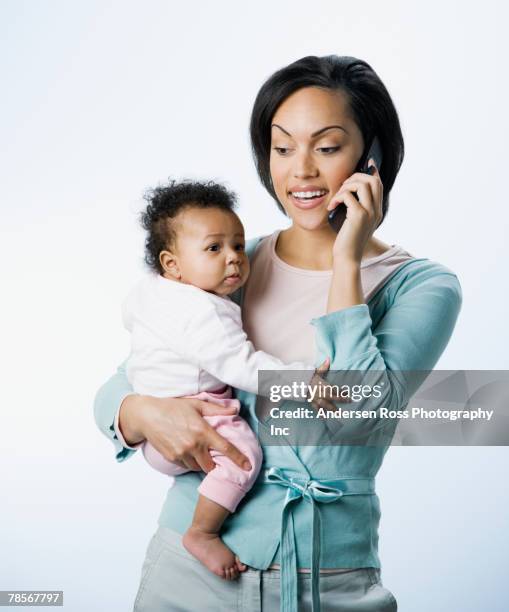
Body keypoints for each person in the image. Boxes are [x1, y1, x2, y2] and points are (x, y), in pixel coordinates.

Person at [94, 55, 462, 612]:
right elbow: (119, 388)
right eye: (283, 147)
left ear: (373, 156)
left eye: (328, 146)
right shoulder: (231, 263)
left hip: (325, 577)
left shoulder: (422, 287)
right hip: (188, 571)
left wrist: (346, 261)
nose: (301, 171)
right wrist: (143, 413)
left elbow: (357, 411)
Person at [122, 178, 330, 581]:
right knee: (244, 458)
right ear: (172, 264)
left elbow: (129, 319)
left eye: (237, 244)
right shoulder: (203, 311)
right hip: (198, 417)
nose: (234, 258)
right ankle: (202, 532)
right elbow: (242, 366)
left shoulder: (150, 292)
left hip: (157, 422)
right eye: (214, 248)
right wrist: (303, 382)